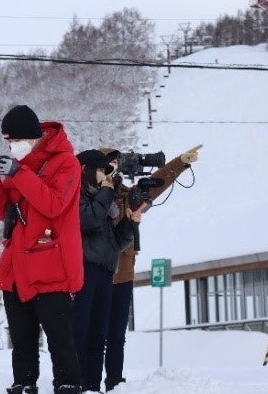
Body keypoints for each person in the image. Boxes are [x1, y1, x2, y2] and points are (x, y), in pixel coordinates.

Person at [0, 105, 84, 394]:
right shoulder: (18, 166)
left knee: (59, 339)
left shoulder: (66, 163)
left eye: (16, 141)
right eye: (8, 143)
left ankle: (68, 385)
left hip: (51, 268)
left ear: (34, 137)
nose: (12, 147)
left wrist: (18, 173)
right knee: (22, 340)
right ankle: (23, 385)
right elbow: (3, 211)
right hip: (18, 265)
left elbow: (54, 205)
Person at [101, 145, 202, 392]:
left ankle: (114, 380)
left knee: (116, 335)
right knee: (93, 334)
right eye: (111, 164)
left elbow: (157, 184)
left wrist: (181, 162)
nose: (117, 170)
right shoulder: (88, 195)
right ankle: (87, 380)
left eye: (118, 164)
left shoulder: (129, 195)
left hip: (123, 273)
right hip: (95, 273)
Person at [72, 149, 134, 394]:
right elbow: (89, 221)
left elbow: (116, 243)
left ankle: (92, 386)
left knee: (98, 334)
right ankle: (74, 384)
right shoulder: (77, 194)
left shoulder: (102, 200)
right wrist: (108, 192)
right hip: (84, 268)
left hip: (105, 270)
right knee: (81, 332)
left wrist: (130, 224)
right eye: (101, 170)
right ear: (86, 169)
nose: (105, 176)